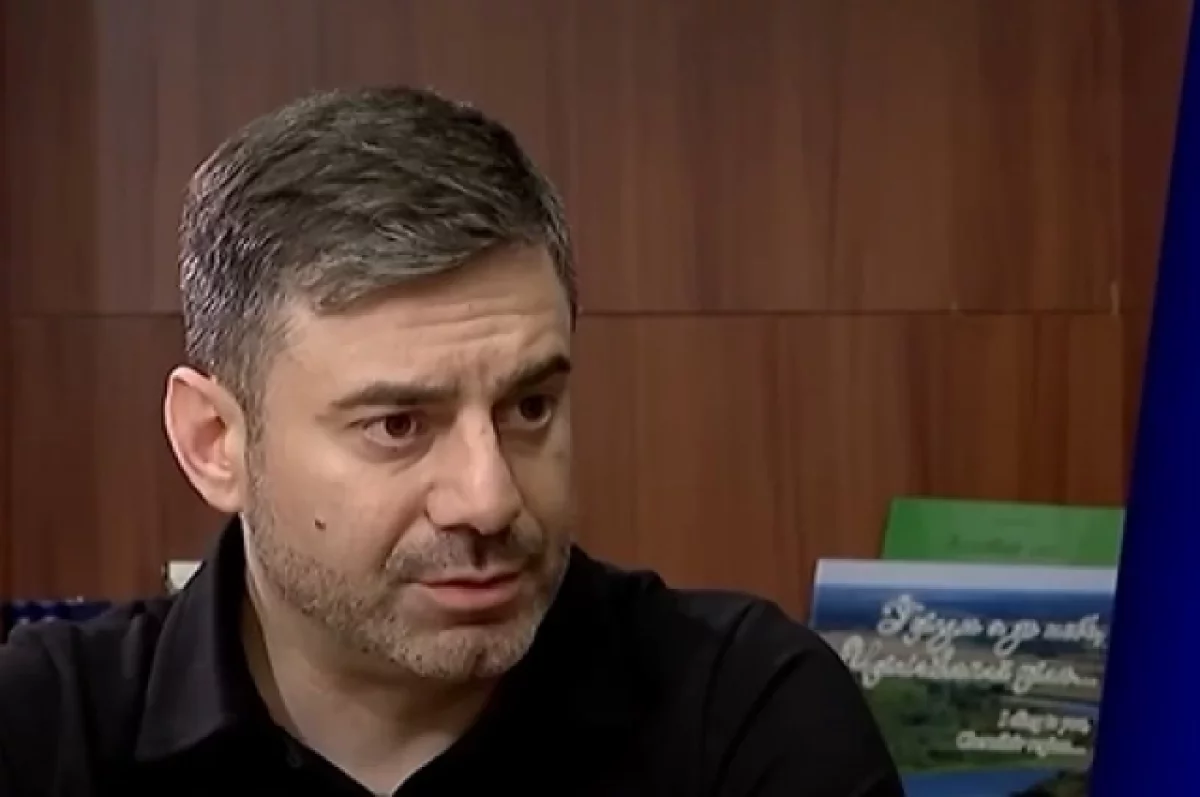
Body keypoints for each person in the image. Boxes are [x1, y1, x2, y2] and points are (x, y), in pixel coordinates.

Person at [0, 86, 903, 796]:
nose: (490, 497)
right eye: (398, 424)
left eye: (530, 406)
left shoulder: (747, 713)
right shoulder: (42, 731)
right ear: (215, 443)